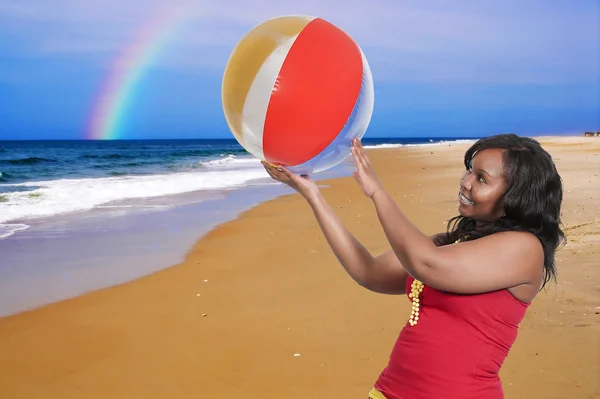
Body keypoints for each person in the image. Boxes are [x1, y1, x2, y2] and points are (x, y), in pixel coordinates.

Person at [262, 133, 565, 399]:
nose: (466, 182)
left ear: (516, 196)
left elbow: (424, 263)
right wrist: (311, 194)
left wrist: (378, 193)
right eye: (469, 171)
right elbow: (368, 272)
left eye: (482, 179)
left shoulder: (525, 249)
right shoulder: (454, 242)